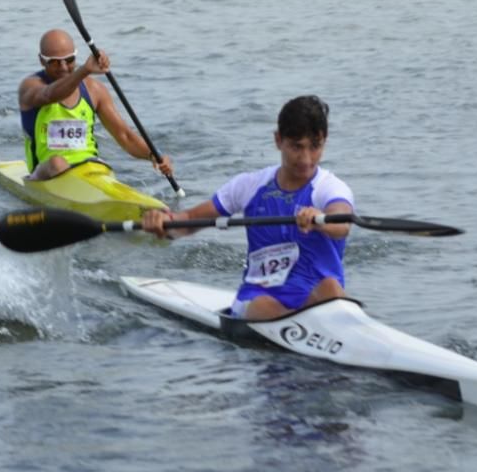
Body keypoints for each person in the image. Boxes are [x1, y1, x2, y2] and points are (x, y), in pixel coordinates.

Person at [142, 95, 353, 320]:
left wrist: (320, 219)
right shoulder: (249, 185)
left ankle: (306, 320)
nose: (306, 159)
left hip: (317, 297)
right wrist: (165, 224)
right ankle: (298, 322)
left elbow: (342, 222)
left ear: (324, 141)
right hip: (259, 299)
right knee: (262, 306)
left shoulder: (329, 188)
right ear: (278, 140)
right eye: (296, 147)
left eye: (315, 147)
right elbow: (190, 220)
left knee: (331, 287)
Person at [18, 28, 173, 180]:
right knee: (58, 163)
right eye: (54, 62)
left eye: (70, 60)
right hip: (45, 172)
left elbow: (124, 136)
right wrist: (85, 70)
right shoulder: (31, 87)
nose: (63, 67)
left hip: (88, 168)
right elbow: (50, 95)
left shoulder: (94, 90)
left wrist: (154, 155)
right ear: (41, 60)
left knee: (101, 166)